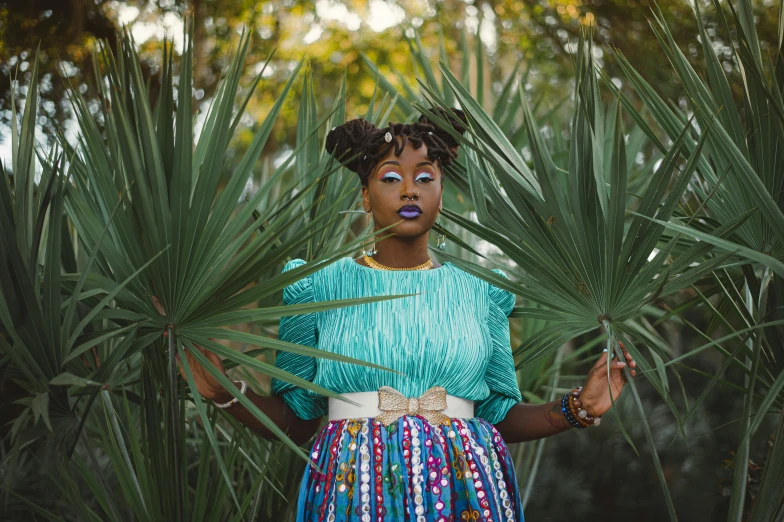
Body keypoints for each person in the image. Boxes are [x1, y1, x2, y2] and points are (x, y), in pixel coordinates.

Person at [179, 107, 637, 522]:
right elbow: (296, 419)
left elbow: (497, 413)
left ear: (441, 193)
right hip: (351, 494)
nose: (409, 190)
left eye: (424, 177)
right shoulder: (315, 286)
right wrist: (226, 393)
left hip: (465, 495)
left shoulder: (480, 291)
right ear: (365, 196)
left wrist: (578, 408)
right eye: (391, 177)